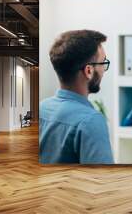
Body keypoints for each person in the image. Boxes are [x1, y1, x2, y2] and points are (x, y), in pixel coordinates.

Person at [39, 30, 113, 164]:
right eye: (103, 63)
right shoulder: (91, 121)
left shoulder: (42, 108)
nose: (103, 70)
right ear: (89, 71)